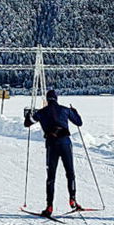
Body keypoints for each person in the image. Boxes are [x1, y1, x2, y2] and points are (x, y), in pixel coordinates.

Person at [22, 88, 83, 216]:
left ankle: (49, 207)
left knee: (51, 177)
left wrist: (28, 115)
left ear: (47, 99)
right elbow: (79, 122)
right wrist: (75, 112)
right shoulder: (65, 110)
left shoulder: (41, 112)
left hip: (52, 145)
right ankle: (73, 200)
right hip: (66, 144)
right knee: (70, 173)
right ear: (56, 98)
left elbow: (27, 124)